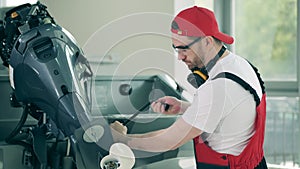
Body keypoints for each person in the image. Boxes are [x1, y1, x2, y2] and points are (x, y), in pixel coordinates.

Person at [110, 6, 268, 169]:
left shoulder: (218, 88)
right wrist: (183, 107)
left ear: (207, 41)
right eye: (175, 48)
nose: (179, 57)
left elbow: (169, 141)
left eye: (184, 48)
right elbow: (227, 112)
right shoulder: (240, 65)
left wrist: (119, 139)